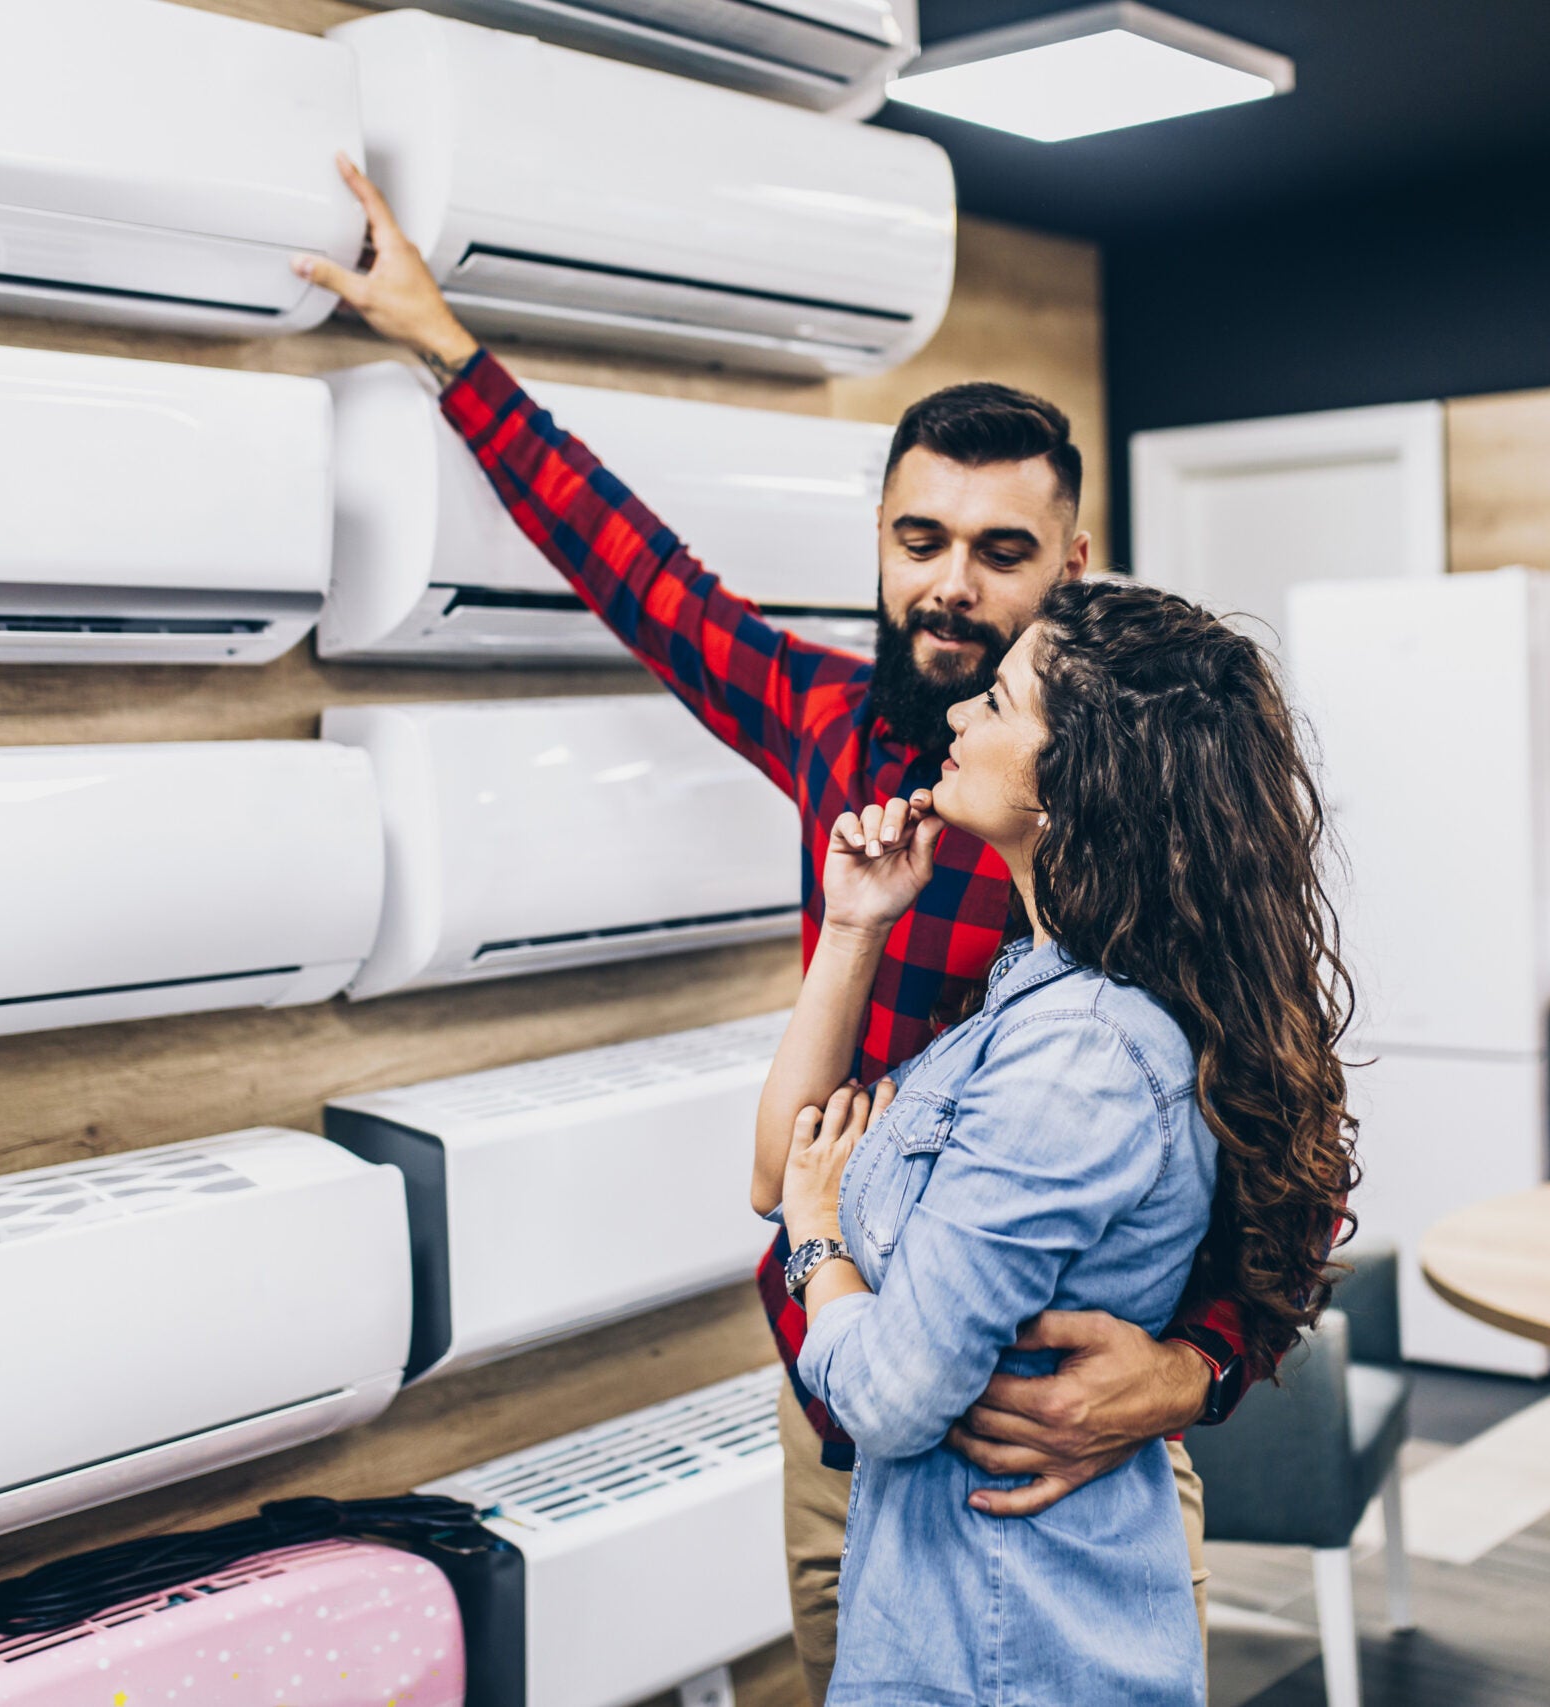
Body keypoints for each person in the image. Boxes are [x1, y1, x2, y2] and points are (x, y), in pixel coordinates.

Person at [299, 158, 1303, 1700]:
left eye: (1002, 551)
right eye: (920, 539)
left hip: (1055, 1431)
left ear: (1073, 573)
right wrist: (441, 339)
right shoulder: (834, 728)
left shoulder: (1140, 855)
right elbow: (633, 567)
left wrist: (1187, 1369)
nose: (950, 586)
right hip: (836, 1399)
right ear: (883, 536)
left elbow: (1281, 1149)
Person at [755, 578, 1359, 1704]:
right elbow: (782, 1167)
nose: (958, 720)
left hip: (1003, 1613)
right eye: (920, 542)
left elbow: (881, 1379)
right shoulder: (1046, 988)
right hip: (947, 1578)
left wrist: (817, 1242)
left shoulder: (1078, 1050)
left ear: (1067, 781)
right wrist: (850, 928)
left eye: (996, 702)